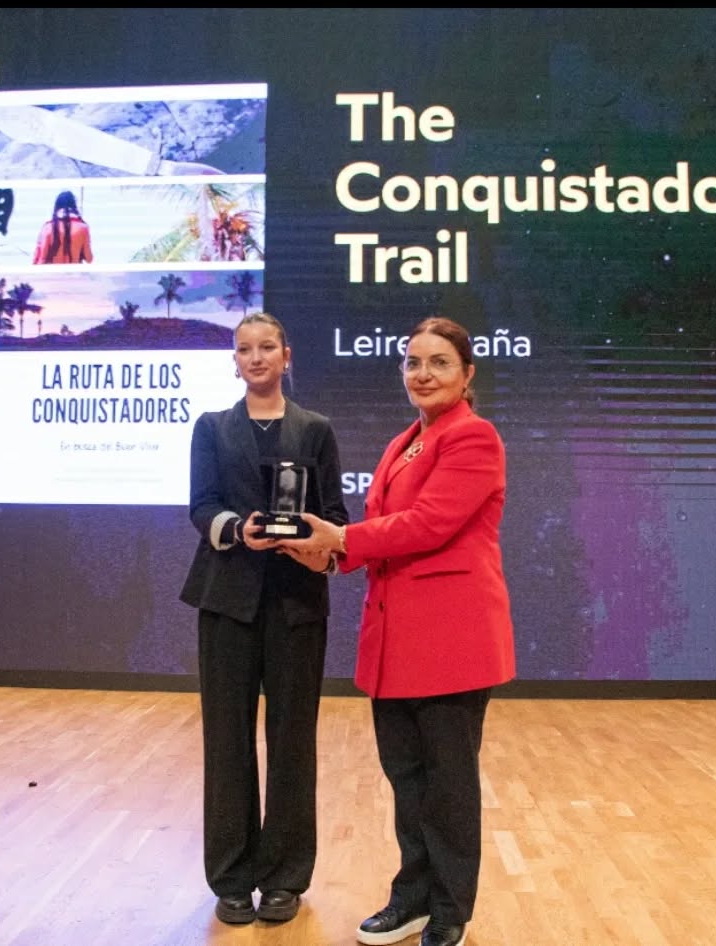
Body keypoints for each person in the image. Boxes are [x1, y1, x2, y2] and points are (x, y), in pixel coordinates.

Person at [279, 316, 516, 946]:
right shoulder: (404, 441)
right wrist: (327, 556)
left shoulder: (474, 437)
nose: (423, 374)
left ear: (467, 374)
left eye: (439, 363)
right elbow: (384, 533)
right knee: (407, 780)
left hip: (450, 640)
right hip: (395, 643)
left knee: (447, 785)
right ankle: (411, 898)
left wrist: (342, 537)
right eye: (413, 362)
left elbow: (429, 523)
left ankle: (450, 910)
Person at [179, 312, 349, 927]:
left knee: (292, 742)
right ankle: (231, 879)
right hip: (226, 602)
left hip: (297, 606)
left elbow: (335, 515)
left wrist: (315, 547)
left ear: (286, 355)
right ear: (235, 361)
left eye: (267, 347)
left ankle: (284, 879)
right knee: (226, 743)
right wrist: (237, 530)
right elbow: (202, 506)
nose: (256, 357)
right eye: (245, 349)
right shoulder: (211, 428)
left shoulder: (316, 429)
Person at [32, 190, 93, 263]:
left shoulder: (48, 227)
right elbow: (89, 259)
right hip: (75, 269)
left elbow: (41, 259)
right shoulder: (83, 228)